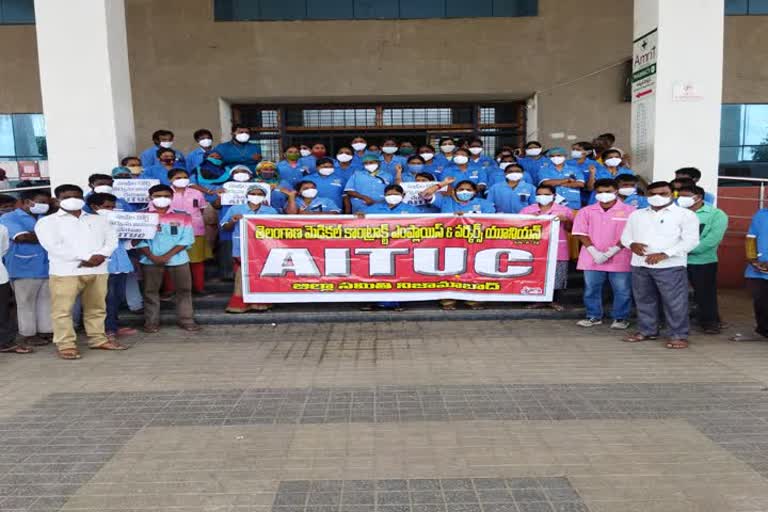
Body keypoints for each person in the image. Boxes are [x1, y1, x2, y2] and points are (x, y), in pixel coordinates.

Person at [35, 184, 124, 359]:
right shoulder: (47, 222)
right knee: (62, 310)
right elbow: (53, 247)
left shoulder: (98, 219)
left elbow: (112, 240)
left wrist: (101, 255)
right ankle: (65, 344)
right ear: (57, 200)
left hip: (99, 268)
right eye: (67, 197)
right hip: (65, 272)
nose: (72, 200)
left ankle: (98, 339)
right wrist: (85, 257)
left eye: (76, 196)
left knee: (97, 308)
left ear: (83, 198)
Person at [620, 181, 700, 349]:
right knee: (643, 300)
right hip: (640, 264)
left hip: (670, 266)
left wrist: (664, 255)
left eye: (662, 193)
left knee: (674, 302)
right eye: (652, 194)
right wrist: (632, 244)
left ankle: (679, 335)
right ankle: (647, 330)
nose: (657, 197)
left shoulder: (685, 215)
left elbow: (691, 241)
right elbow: (625, 237)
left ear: (672, 194)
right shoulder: (637, 214)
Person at [572, 179, 635, 329]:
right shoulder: (586, 211)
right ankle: (593, 316)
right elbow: (580, 233)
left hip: (621, 256)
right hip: (592, 257)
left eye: (607, 191)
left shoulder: (630, 211)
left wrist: (612, 251)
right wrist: (594, 252)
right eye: (600, 192)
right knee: (591, 289)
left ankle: (621, 318)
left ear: (616, 191)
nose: (604, 195)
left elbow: (631, 234)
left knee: (622, 290)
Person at [136, 184, 200, 333]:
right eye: (157, 196)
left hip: (178, 259)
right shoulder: (141, 215)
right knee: (150, 291)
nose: (162, 199)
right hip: (150, 259)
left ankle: (187, 320)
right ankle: (151, 322)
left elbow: (187, 239)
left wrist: (166, 256)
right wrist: (152, 256)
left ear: (172, 197)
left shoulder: (183, 215)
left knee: (184, 290)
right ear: (150, 197)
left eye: (166, 196)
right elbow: (138, 240)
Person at [0, 190, 52, 346]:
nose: (44, 205)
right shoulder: (8, 217)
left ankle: (45, 330)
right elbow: (22, 237)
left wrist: (36, 235)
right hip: (22, 266)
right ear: (24, 202)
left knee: (46, 301)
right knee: (25, 302)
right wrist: (49, 237)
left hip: (46, 266)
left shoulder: (45, 217)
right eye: (40, 201)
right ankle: (28, 334)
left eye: (46, 202)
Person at [85, 193, 138, 342]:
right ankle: (107, 329)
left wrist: (141, 234)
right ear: (95, 207)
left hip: (120, 265)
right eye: (107, 207)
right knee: (106, 299)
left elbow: (126, 245)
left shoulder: (116, 223)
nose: (112, 209)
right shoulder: (88, 224)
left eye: (113, 207)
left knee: (118, 298)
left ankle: (113, 326)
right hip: (103, 267)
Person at [677, 185, 728, 334]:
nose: (680, 199)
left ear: (698, 197)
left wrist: (681, 250)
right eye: (679, 195)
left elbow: (712, 240)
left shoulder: (716, 215)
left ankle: (710, 322)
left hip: (703, 261)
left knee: (705, 293)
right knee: (674, 293)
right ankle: (673, 321)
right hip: (676, 260)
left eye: (685, 196)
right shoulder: (676, 213)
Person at [220, 185, 279, 313]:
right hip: (241, 248)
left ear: (264, 196)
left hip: (263, 249)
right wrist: (233, 220)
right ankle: (239, 304)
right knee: (242, 276)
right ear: (247, 195)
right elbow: (225, 227)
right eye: (253, 193)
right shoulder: (235, 209)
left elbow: (277, 230)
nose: (256, 196)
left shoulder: (271, 211)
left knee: (261, 275)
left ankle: (260, 304)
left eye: (259, 194)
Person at [359, 184, 417, 312]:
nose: (392, 196)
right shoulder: (373, 209)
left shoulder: (412, 210)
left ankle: (398, 302)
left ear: (403, 196)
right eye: (389, 194)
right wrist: (359, 217)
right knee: (377, 273)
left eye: (396, 194)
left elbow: (421, 224)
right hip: (378, 246)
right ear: (384, 196)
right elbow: (361, 224)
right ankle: (375, 301)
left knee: (399, 273)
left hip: (402, 246)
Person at [520, 185, 574, 311]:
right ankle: (537, 300)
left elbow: (571, 229)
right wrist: (528, 221)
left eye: (546, 194)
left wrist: (565, 221)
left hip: (558, 248)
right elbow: (518, 228)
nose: (542, 197)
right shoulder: (527, 210)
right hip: (534, 248)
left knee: (558, 276)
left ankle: (555, 301)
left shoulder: (564, 210)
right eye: (540, 194)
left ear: (554, 196)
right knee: (536, 274)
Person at [167, 168, 211, 294]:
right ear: (170, 179)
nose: (182, 180)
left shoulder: (196, 193)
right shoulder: (165, 193)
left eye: (185, 177)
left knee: (197, 261)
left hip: (195, 229)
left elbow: (201, 210)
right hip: (171, 231)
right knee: (170, 260)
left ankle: (199, 287)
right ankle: (170, 289)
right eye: (178, 178)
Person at [732, 207, 768, 342]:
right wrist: (753, 259)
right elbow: (751, 237)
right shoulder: (761, 214)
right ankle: (763, 330)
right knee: (761, 300)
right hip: (758, 269)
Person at [0, 223, 32, 354]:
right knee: (3, 311)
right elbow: (4, 249)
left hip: (0, 277)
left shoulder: (2, 228)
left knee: (3, 312)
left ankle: (5, 343)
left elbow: (3, 250)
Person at [423, 178, 495, 214]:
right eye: (461, 189)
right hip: (449, 238)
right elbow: (425, 194)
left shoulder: (484, 203)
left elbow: (489, 221)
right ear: (455, 191)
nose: (464, 191)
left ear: (474, 192)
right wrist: (444, 183)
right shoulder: (445, 201)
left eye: (468, 190)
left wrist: (465, 217)